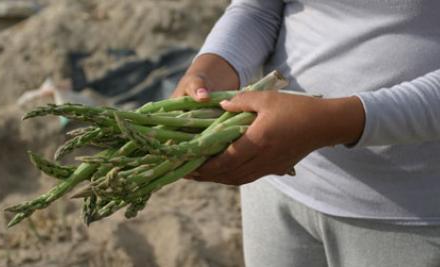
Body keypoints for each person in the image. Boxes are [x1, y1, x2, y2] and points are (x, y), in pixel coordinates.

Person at [171, 1, 440, 267]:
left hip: (411, 217)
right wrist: (209, 70)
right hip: (272, 183)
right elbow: (259, 9)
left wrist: (328, 123)